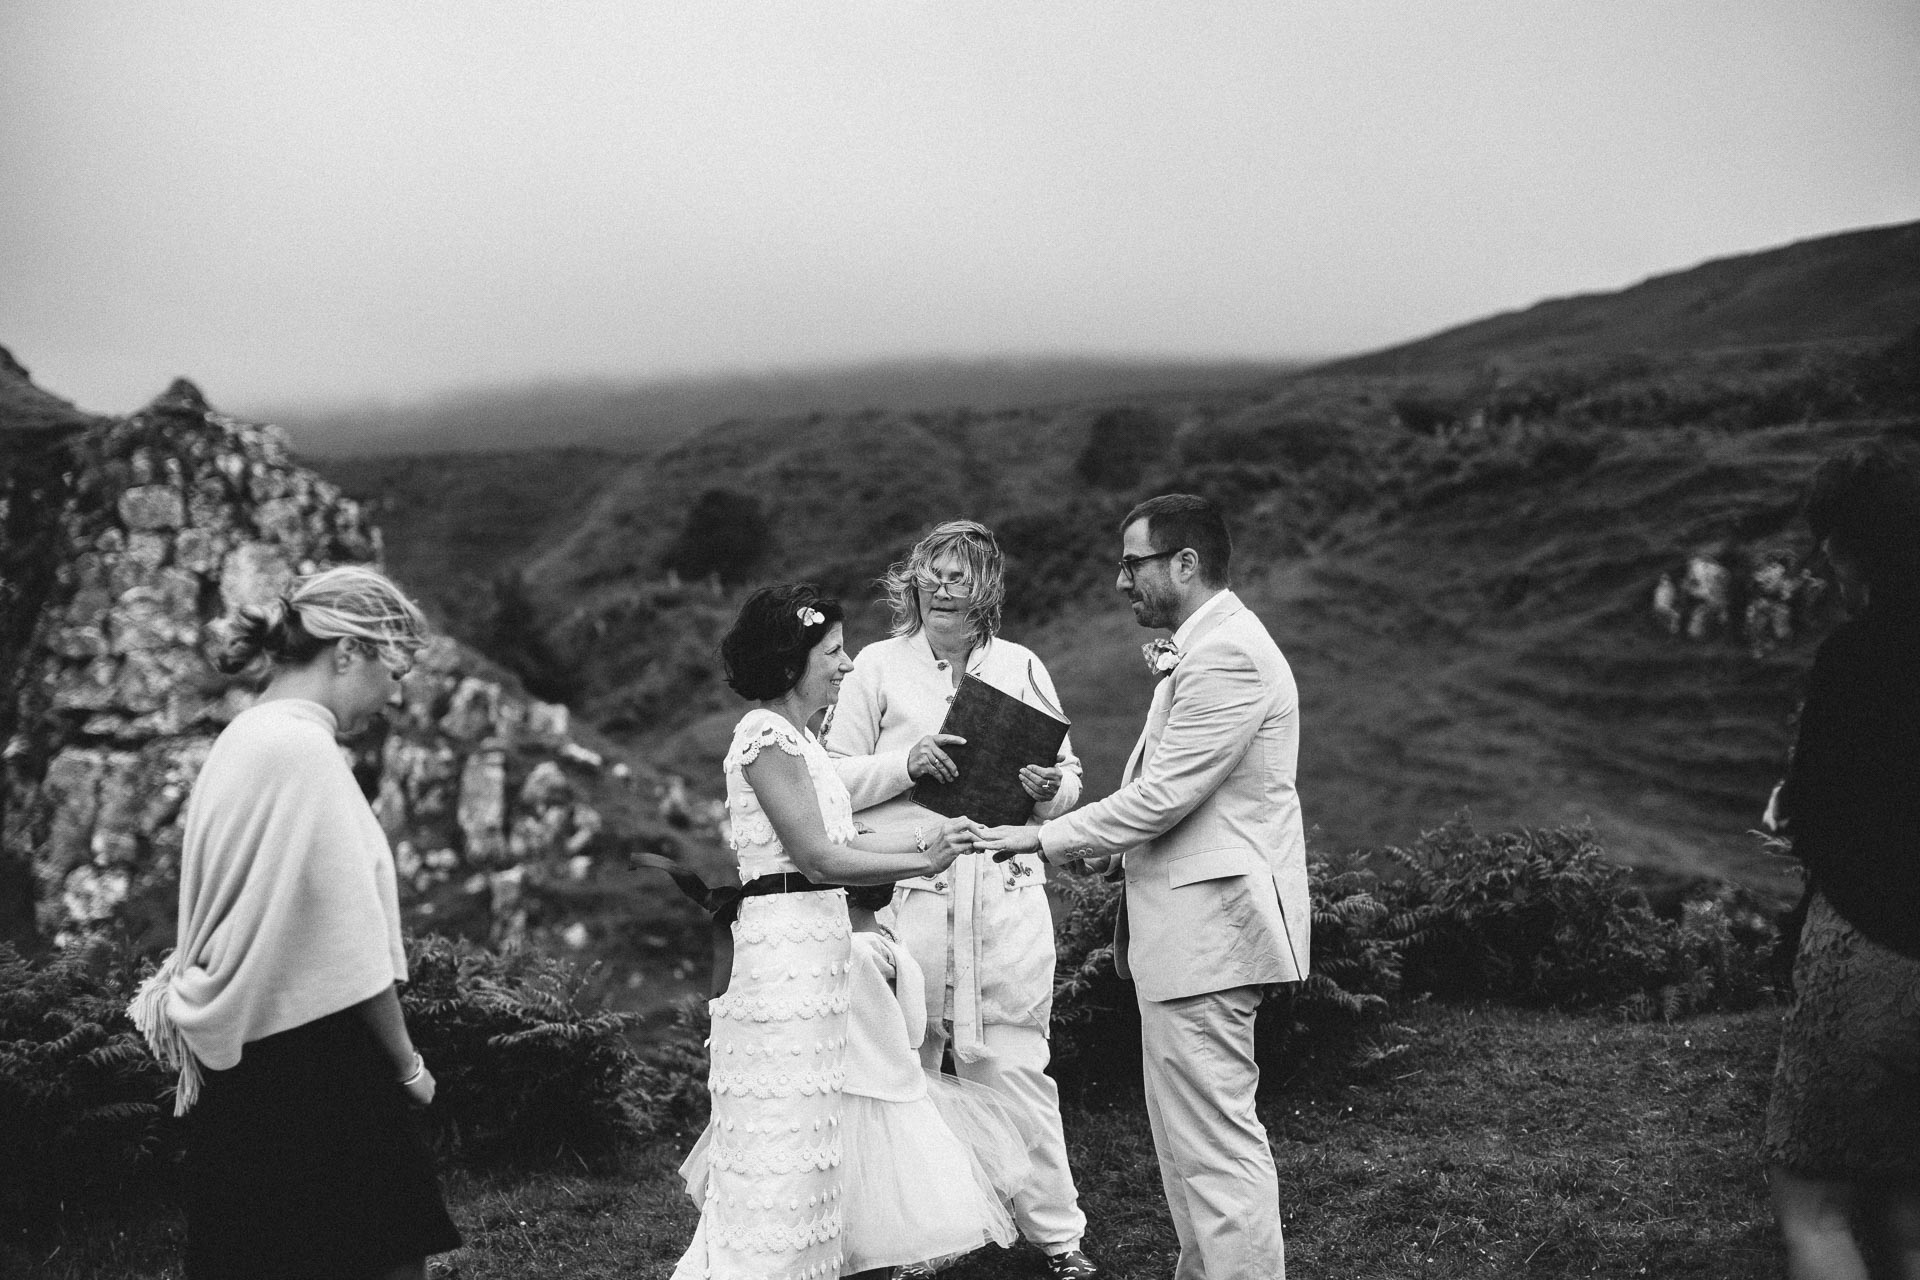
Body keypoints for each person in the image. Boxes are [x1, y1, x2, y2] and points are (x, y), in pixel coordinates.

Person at [982, 493, 1310, 1280]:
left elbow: (1165, 795)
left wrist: (1046, 837)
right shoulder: (1204, 647)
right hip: (1190, 938)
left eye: (1133, 564)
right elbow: (1166, 798)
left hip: (1214, 933)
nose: (1121, 580)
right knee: (1188, 1147)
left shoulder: (1228, 652)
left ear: (1185, 563)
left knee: (1216, 1150)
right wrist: (1099, 850)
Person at [128, 565, 461, 1280]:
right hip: (318, 1056)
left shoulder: (247, 736)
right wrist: (408, 1067)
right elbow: (352, 941)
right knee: (388, 1254)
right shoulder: (303, 750)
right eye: (392, 669)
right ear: (348, 653)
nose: (396, 693)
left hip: (248, 1058)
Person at [670, 584, 983, 1280]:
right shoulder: (763, 734)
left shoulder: (807, 744)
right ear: (790, 662)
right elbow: (816, 856)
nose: (847, 665)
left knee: (816, 1137)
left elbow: (844, 839)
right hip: (784, 958)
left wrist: (932, 833)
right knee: (780, 1135)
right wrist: (923, 858)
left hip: (821, 949)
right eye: (834, 651)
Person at [824, 518, 1097, 1280]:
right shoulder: (876, 668)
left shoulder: (1021, 665)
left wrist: (1050, 790)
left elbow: (1069, 773)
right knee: (912, 1068)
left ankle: (1057, 1239)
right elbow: (831, 777)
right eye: (931, 572)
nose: (942, 585)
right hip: (911, 891)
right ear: (913, 581)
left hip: (1002, 897)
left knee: (1015, 1067)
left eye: (959, 573)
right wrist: (906, 763)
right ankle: (928, 1241)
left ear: (987, 588)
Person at [677, 882, 1032, 1276]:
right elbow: (914, 1029)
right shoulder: (893, 946)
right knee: (885, 1221)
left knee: (840, 1209)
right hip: (895, 1093)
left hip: (849, 1093)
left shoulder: (845, 951)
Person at [1760, 443, 1920, 1280]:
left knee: (1814, 1204)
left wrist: (1789, 817)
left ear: (1859, 551)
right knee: (1909, 1205)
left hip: (1875, 947)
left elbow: (1815, 813)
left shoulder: (1857, 658)